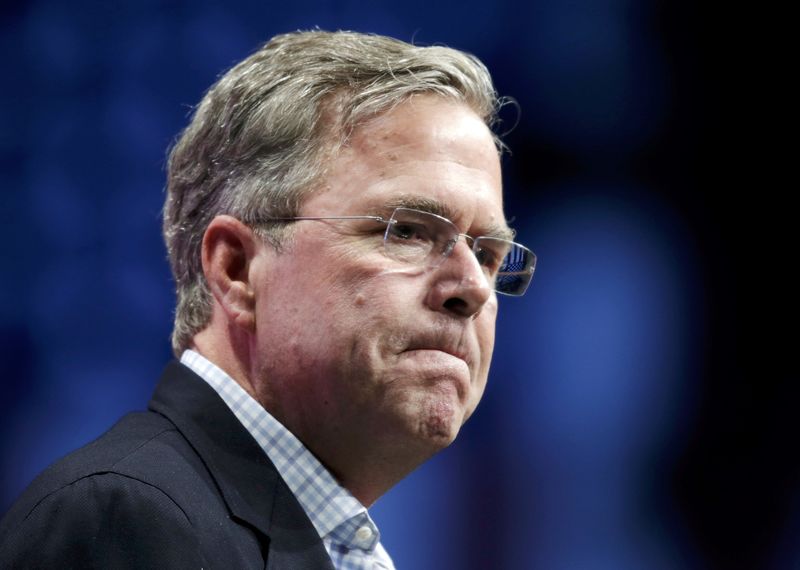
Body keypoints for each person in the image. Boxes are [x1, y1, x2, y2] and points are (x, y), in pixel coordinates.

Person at [0, 30, 536, 568]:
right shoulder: (126, 520)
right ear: (236, 269)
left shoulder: (327, 542)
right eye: (408, 232)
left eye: (489, 253)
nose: (471, 287)